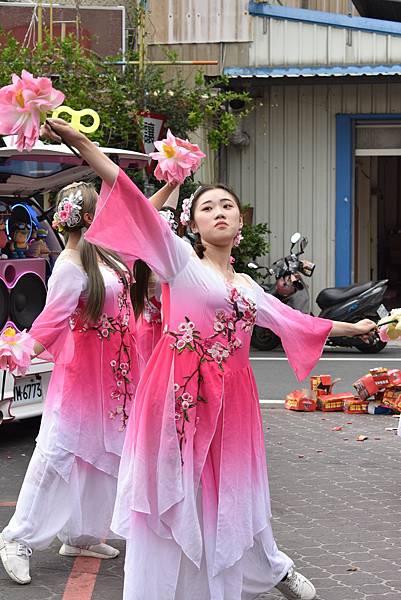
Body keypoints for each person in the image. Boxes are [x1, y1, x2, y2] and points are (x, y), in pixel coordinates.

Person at [42, 119, 376, 600]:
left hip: (233, 406)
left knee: (227, 501)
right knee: (174, 502)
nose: (219, 212)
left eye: (227, 207)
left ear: (240, 226)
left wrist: (355, 327)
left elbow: (292, 322)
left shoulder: (248, 287)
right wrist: (84, 145)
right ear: (193, 225)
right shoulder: (179, 263)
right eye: (207, 207)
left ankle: (241, 579)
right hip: (178, 398)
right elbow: (134, 202)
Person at [0, 174, 176, 586]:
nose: (111, 213)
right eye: (102, 207)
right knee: (56, 455)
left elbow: (140, 212)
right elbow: (50, 323)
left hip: (114, 382)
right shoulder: (70, 266)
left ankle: (81, 535)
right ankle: (15, 538)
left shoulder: (105, 255)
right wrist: (19, 350)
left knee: (105, 455)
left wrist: (171, 182)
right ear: (89, 217)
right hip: (81, 382)